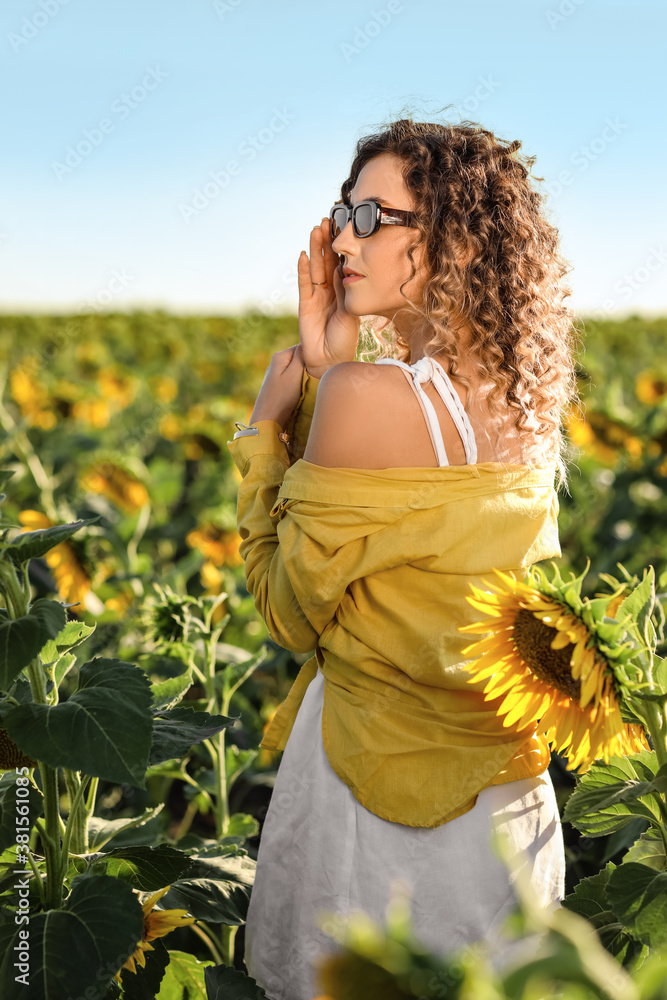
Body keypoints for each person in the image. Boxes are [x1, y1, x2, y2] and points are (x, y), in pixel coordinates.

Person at [227, 117, 579, 1000]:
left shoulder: (364, 398)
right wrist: (333, 356)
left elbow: (287, 610)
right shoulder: (527, 400)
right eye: (343, 213)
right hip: (506, 806)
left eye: (376, 217)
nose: (343, 239)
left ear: (453, 241)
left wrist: (268, 431)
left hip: (373, 808)